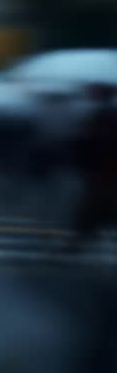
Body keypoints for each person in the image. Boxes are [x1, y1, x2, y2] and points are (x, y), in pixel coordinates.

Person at [70, 83, 117, 251]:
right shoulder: (101, 113)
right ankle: (79, 239)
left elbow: (93, 141)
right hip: (102, 168)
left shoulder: (104, 115)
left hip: (103, 168)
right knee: (97, 202)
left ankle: (78, 240)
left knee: (94, 203)